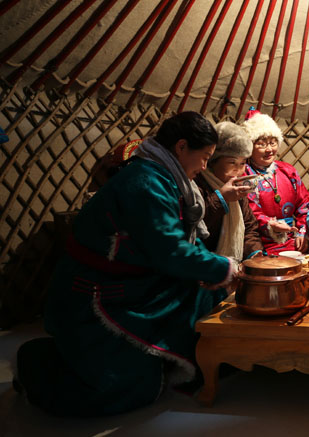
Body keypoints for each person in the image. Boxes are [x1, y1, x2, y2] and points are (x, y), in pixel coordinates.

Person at [14, 112, 243, 417]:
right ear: (181, 147)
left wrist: (216, 266)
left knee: (202, 294)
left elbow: (181, 238)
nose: (204, 166)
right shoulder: (146, 182)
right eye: (204, 157)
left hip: (137, 279)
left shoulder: (167, 178)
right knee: (121, 388)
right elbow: (169, 249)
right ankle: (33, 366)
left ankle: (198, 361)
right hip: (99, 292)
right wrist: (224, 268)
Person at [243, 108, 309, 255]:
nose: (269, 150)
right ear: (250, 146)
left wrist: (301, 231)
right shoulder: (245, 174)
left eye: (273, 143)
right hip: (259, 243)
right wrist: (270, 224)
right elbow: (249, 210)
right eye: (262, 144)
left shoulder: (287, 171)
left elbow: (304, 204)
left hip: (293, 240)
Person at [195, 121, 264, 260]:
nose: (238, 169)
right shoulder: (197, 183)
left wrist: (255, 253)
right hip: (204, 261)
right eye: (232, 162)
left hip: (232, 264)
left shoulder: (237, 186)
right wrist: (222, 198)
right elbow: (196, 225)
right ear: (213, 161)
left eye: (243, 163)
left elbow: (249, 227)